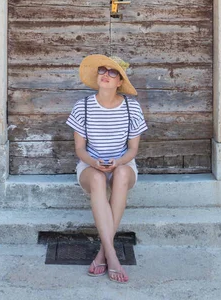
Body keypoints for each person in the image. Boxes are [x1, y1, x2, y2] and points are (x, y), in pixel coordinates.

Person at [66, 54, 148, 284]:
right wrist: (94, 163)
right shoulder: (82, 106)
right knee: (99, 179)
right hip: (90, 166)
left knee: (121, 174)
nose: (106, 75)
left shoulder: (132, 108)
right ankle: (112, 255)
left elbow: (132, 150)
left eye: (113, 73)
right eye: (102, 70)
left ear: (120, 81)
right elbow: (80, 149)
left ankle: (103, 253)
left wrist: (118, 162)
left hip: (123, 165)